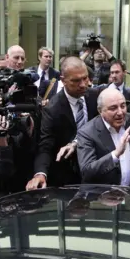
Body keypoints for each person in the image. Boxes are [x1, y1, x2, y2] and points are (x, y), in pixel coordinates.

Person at [27, 57, 103, 190]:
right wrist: (40, 174)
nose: (83, 84)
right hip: (68, 179)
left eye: (85, 78)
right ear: (63, 80)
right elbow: (45, 145)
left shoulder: (96, 97)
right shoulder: (52, 109)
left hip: (97, 172)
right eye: (76, 80)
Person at [76, 88, 130, 185]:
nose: (120, 112)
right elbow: (87, 171)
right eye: (113, 108)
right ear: (100, 110)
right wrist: (116, 154)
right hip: (102, 196)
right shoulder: (87, 133)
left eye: (123, 106)